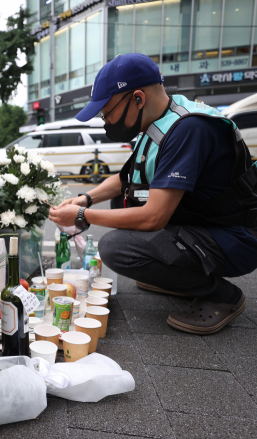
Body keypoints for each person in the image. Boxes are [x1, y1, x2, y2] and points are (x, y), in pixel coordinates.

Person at [50, 53, 257, 335]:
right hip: (207, 224)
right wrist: (85, 198)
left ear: (138, 98)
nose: (105, 120)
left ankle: (223, 295)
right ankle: (176, 274)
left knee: (116, 248)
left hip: (238, 237)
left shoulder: (189, 130)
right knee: (123, 204)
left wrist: (83, 215)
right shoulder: (158, 121)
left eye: (107, 111)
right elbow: (125, 179)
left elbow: (154, 218)